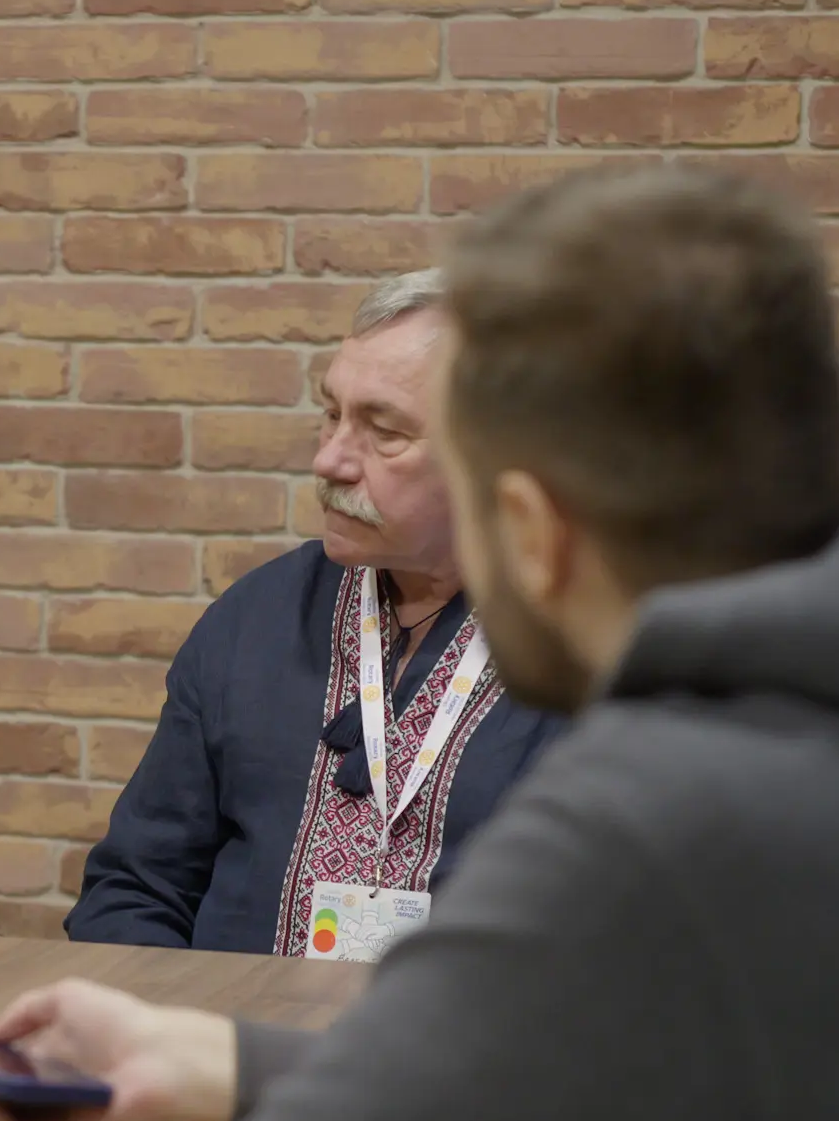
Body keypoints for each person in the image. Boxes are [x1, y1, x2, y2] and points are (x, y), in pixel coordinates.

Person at [0, 166, 839, 1121]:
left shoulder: (676, 808)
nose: (334, 460)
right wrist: (213, 1060)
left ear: (525, 528)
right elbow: (609, 1108)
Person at [65, 270, 565, 954]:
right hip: (218, 1020)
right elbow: (135, 889)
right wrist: (168, 1015)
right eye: (332, 414)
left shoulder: (586, 650)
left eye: (383, 431)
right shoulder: (255, 619)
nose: (330, 460)